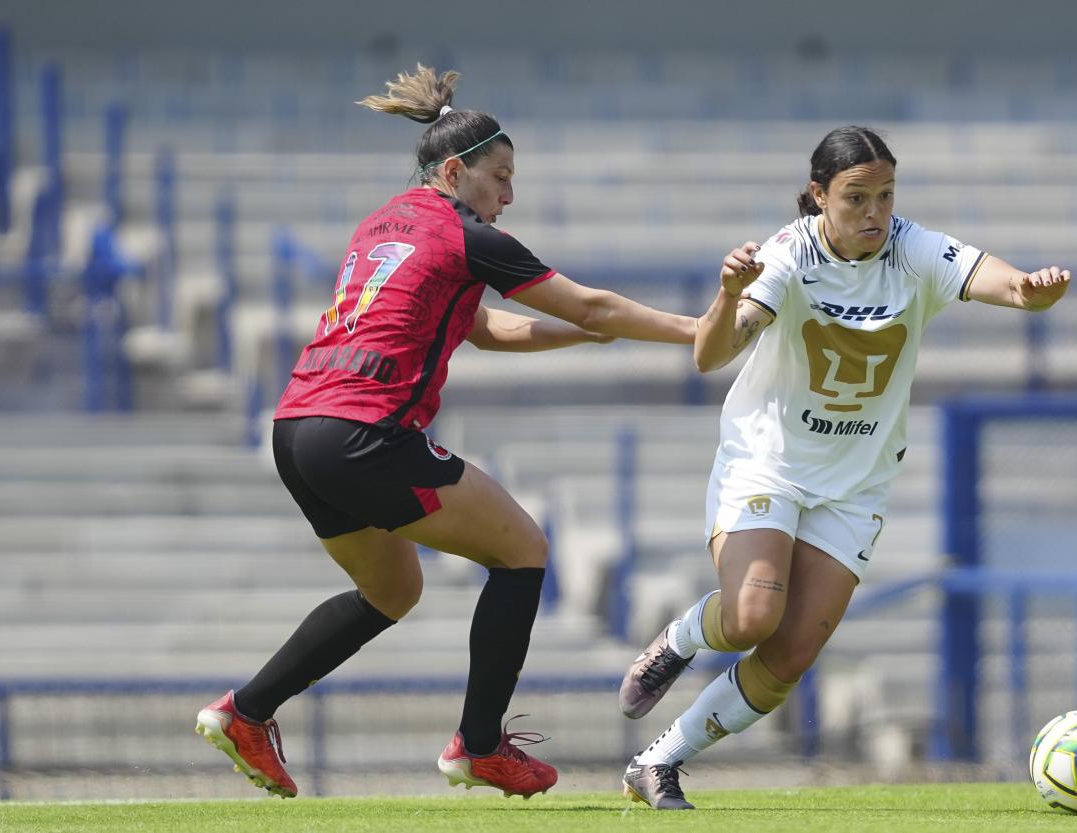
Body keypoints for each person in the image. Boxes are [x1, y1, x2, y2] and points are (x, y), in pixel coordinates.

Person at [194, 64, 702, 800]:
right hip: (367, 431)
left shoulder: (381, 224)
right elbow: (590, 304)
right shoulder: (466, 235)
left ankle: (246, 711)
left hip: (298, 428)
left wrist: (577, 338)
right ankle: (482, 743)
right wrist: (693, 329)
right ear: (457, 171)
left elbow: (483, 329)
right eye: (500, 176)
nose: (509, 194)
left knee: (391, 588)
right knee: (524, 548)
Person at [617, 125, 1072, 809]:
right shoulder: (787, 254)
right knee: (750, 617)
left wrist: (1029, 290)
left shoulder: (912, 248)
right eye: (856, 197)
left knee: (792, 652)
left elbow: (993, 279)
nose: (874, 213)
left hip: (856, 482)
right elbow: (710, 357)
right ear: (818, 196)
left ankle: (658, 761)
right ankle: (680, 638)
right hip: (769, 461)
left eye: (885, 195)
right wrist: (726, 292)